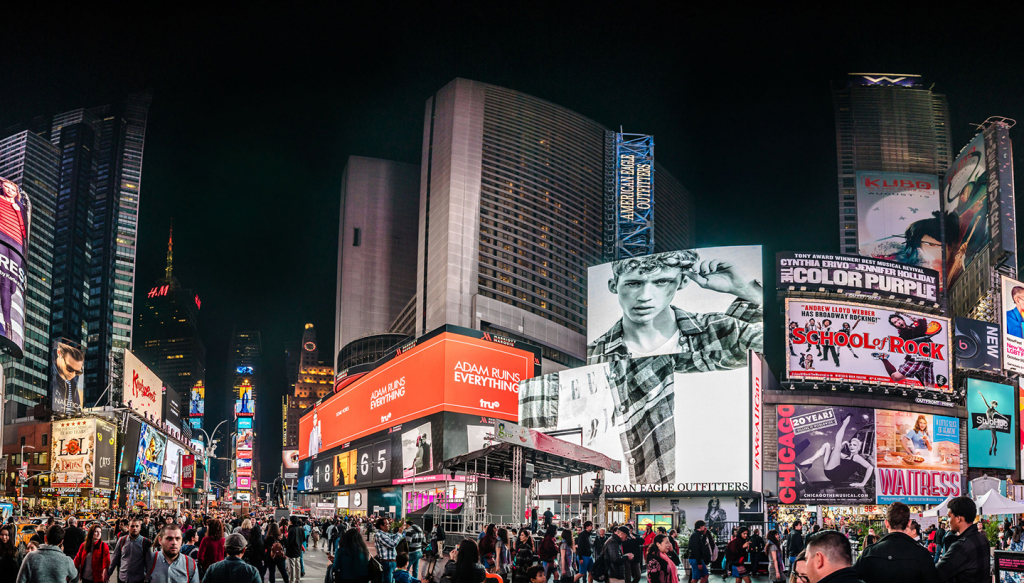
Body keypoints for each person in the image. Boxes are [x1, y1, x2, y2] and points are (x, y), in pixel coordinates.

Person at [587, 249, 763, 364]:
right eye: (633, 284)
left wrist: (747, 290)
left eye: (661, 282)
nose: (645, 297)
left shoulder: (718, 328)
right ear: (613, 286)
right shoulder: (593, 355)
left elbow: (786, 354)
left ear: (683, 281)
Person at [854, 502, 938, 583]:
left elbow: (850, 577)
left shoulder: (870, 552)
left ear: (886, 523)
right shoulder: (922, 554)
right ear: (909, 523)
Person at [936, 496, 990, 583]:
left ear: (958, 518)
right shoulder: (982, 538)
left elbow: (936, 574)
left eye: (949, 516)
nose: (948, 521)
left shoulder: (961, 546)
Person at [14, 525, 80, 583]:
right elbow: (74, 576)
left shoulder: (30, 557)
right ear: (61, 541)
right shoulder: (66, 560)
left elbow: (20, 580)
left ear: (45, 538)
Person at [111, 517, 154, 583]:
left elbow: (148, 562)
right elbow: (114, 559)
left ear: (140, 528)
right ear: (128, 527)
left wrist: (148, 577)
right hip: (123, 578)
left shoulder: (145, 542)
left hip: (138, 579)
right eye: (132, 526)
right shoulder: (122, 540)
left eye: (137, 526)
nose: (134, 528)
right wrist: (108, 574)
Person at [373, 517, 405, 583]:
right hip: (387, 563)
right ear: (381, 526)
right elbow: (392, 544)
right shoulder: (379, 535)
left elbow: (393, 536)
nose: (389, 525)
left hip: (391, 562)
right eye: (387, 524)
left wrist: (401, 530)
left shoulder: (385, 534)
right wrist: (399, 533)